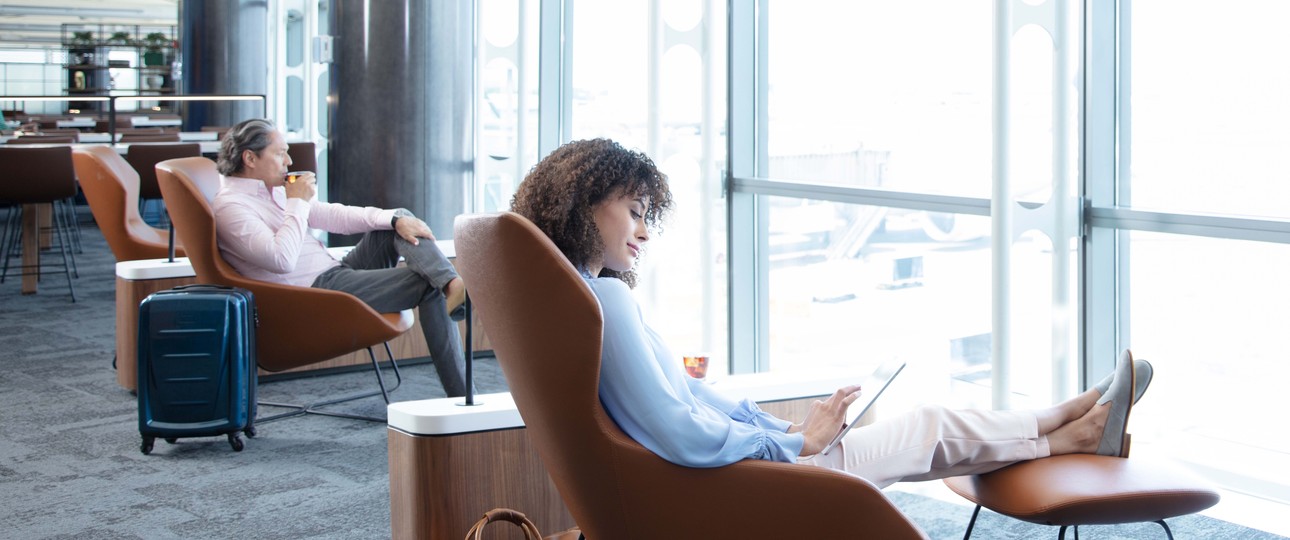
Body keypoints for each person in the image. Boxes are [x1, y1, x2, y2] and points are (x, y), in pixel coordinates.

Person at [509, 138, 1154, 488]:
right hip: (742, 487)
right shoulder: (608, 302)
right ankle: (1067, 422)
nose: (645, 230)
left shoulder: (577, 300)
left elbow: (685, 403)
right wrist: (795, 446)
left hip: (732, 473)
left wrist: (783, 431)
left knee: (928, 441)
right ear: (584, 204)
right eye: (635, 209)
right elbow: (677, 431)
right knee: (928, 427)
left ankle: (1066, 426)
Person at [211, 118, 470, 397]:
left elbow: (334, 215)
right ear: (250, 158)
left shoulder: (272, 191)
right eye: (279, 153)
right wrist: (297, 202)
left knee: (399, 219)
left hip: (335, 273)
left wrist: (392, 219)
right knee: (428, 284)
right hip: (312, 295)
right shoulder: (232, 208)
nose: (288, 160)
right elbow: (281, 259)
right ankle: (463, 396)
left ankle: (450, 283)